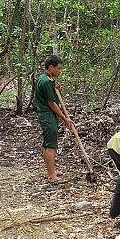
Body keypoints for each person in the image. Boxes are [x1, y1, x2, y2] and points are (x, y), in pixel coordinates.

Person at [34, 55, 74, 184]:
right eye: (58, 68)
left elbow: (50, 97)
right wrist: (65, 119)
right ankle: (51, 176)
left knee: (48, 145)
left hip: (47, 114)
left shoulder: (46, 79)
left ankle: (51, 172)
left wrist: (56, 90)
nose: (60, 71)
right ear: (51, 67)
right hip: (47, 115)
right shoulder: (45, 81)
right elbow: (51, 103)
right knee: (50, 145)